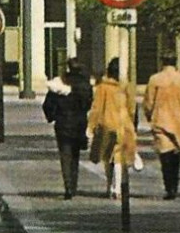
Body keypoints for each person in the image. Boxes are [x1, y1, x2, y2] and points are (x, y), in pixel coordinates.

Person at [42, 57, 93, 199]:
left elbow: (47, 104)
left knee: (65, 155)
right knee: (75, 155)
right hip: (79, 123)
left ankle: (68, 186)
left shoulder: (58, 83)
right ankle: (74, 185)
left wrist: (53, 116)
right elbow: (89, 103)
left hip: (63, 123)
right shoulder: (84, 85)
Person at [144, 53, 180, 199]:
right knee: (175, 156)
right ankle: (174, 186)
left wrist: (149, 116)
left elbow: (148, 102)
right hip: (178, 122)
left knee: (165, 156)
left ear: (162, 62)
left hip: (161, 121)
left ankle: (169, 187)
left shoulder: (155, 79)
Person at [87, 58, 137, 198]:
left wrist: (91, 126)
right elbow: (132, 107)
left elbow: (96, 108)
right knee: (119, 157)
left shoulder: (102, 87)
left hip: (107, 125)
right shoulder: (126, 87)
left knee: (108, 157)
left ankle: (110, 185)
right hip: (123, 124)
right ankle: (118, 187)